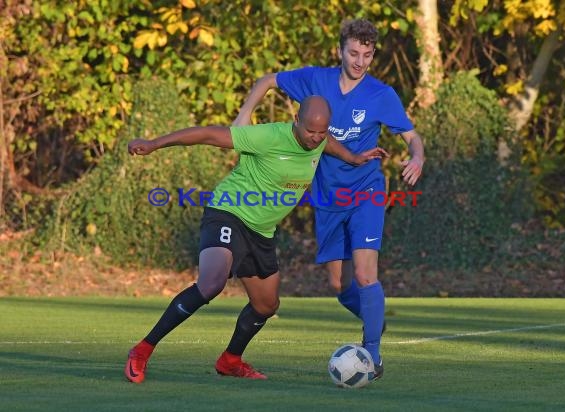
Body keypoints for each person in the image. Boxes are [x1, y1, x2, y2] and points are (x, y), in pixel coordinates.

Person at [124, 95, 384, 383]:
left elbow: (329, 143)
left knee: (266, 306)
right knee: (211, 283)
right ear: (296, 120)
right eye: (310, 131)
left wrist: (353, 157)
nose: (315, 138)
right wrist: (153, 143)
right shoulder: (267, 136)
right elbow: (209, 134)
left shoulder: (320, 138)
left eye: (322, 132)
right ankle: (142, 350)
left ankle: (230, 360)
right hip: (228, 213)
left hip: (261, 231)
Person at [234, 19, 425, 380]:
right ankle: (374, 322)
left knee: (367, 275)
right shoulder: (314, 81)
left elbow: (412, 137)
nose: (360, 61)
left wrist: (417, 157)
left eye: (367, 55)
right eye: (354, 53)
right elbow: (267, 81)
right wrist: (245, 114)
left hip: (367, 190)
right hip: (327, 196)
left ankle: (372, 354)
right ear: (340, 50)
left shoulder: (381, 95)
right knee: (339, 287)